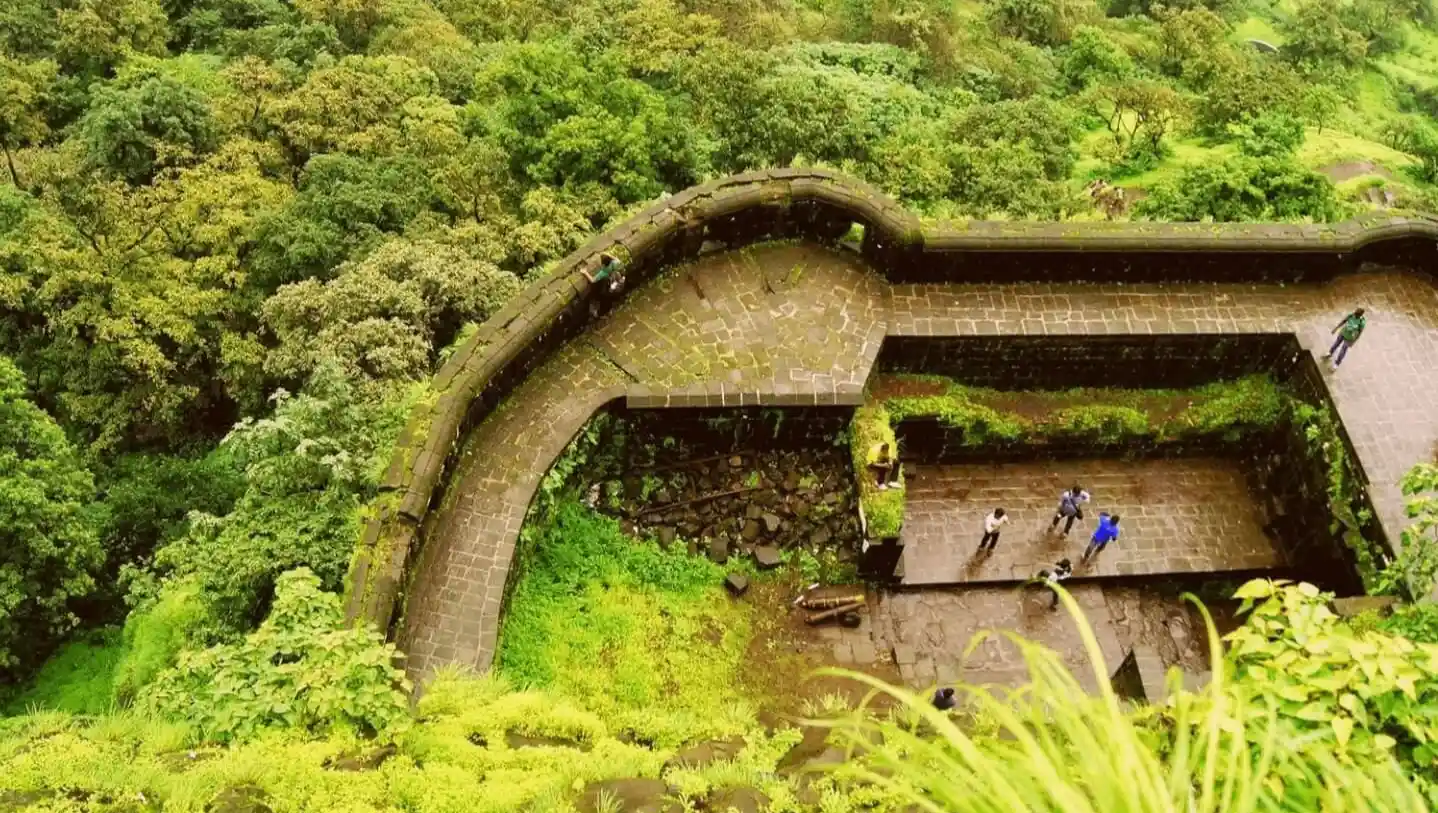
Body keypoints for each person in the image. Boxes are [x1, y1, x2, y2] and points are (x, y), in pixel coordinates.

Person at [581, 253, 626, 317]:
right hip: (619, 286)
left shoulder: (604, 272)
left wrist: (585, 272)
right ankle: (609, 309)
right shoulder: (614, 264)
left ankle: (598, 313)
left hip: (611, 289)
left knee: (605, 297)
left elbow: (592, 280)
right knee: (610, 297)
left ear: (603, 264)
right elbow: (616, 259)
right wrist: (608, 255)